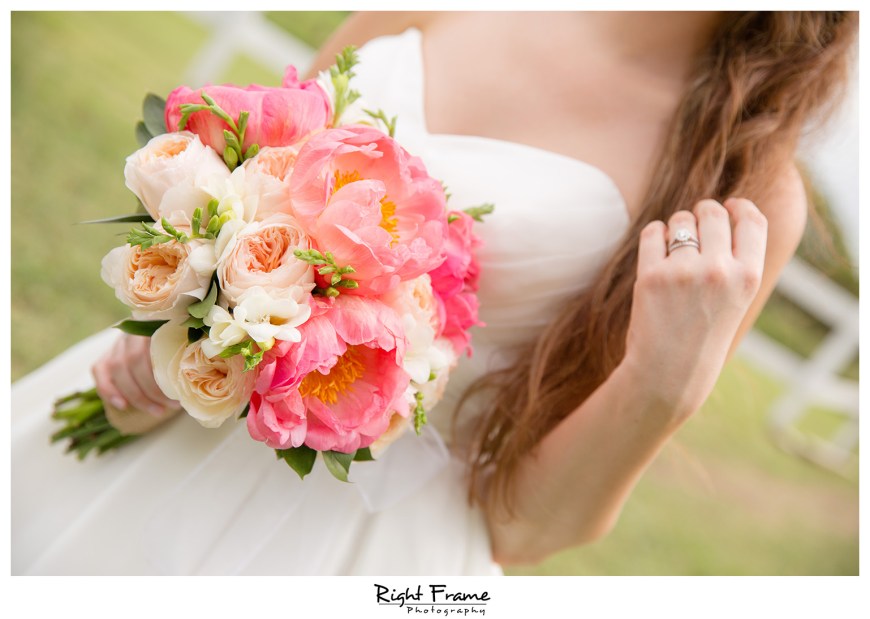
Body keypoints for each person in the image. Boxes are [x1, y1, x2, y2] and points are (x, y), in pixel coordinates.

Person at [11, 11, 857, 574]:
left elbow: (527, 527)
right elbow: (246, 163)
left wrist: (661, 383)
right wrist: (177, 310)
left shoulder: (743, 185)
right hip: (171, 402)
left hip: (360, 547)